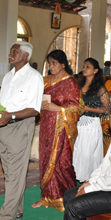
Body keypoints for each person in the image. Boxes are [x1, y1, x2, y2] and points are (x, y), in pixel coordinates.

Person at [0, 41, 43, 220]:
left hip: (20, 126)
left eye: (15, 51)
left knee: (15, 172)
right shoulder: (9, 76)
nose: (10, 53)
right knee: (12, 171)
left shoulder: (34, 77)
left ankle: (7, 217)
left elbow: (34, 109)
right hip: (4, 125)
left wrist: (10, 116)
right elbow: (3, 104)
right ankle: (16, 208)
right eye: (11, 50)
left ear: (25, 56)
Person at [31, 50, 83, 211]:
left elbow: (77, 108)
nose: (51, 66)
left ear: (63, 64)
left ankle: (63, 196)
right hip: (46, 125)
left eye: (54, 63)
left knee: (61, 161)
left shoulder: (70, 83)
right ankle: (46, 196)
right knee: (46, 160)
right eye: (50, 63)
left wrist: (58, 109)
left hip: (62, 128)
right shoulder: (46, 81)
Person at [73, 58, 109, 182]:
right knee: (77, 151)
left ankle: (87, 180)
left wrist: (88, 108)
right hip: (77, 122)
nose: (84, 69)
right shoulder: (79, 85)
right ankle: (74, 176)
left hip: (92, 124)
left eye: (88, 66)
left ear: (95, 70)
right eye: (83, 66)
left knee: (87, 154)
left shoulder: (100, 88)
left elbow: (106, 109)